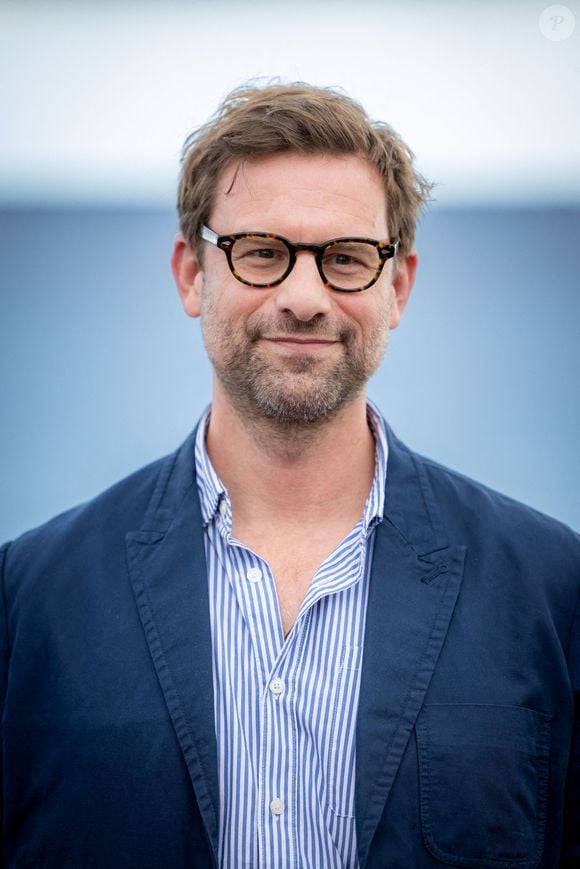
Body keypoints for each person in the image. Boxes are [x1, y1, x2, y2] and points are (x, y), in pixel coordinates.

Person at [0, 82, 578, 869]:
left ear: (397, 286)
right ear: (192, 275)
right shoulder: (32, 597)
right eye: (262, 252)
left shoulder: (550, 588)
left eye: (344, 258)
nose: (304, 299)